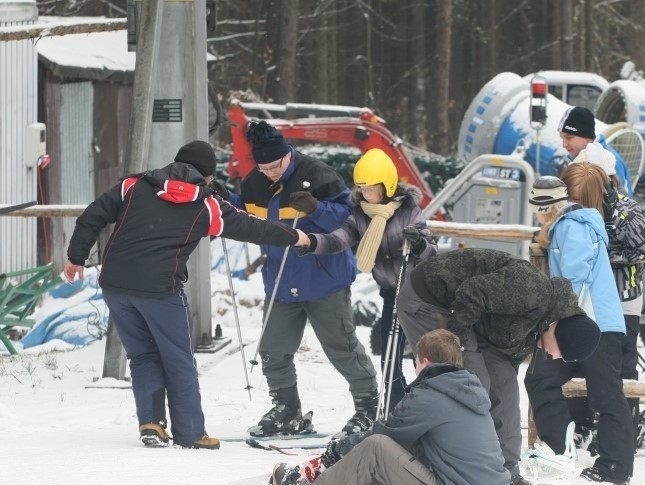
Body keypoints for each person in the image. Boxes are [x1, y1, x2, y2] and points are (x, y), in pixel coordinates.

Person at [63, 140, 309, 450]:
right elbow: (253, 228)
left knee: (142, 355)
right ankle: (191, 433)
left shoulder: (134, 185)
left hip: (116, 285)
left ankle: (151, 423)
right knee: (178, 358)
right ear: (208, 176)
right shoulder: (206, 205)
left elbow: (93, 215)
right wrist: (295, 236)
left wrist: (76, 256)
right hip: (160, 290)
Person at [394, 248, 601, 485]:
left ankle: (506, 470)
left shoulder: (538, 326)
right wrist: (455, 346)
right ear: (558, 332)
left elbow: (504, 366)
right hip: (430, 297)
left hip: (470, 317)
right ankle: (440, 461)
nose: (556, 358)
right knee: (469, 382)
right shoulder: (532, 292)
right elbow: (472, 292)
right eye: (561, 353)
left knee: (504, 385)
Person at [271, 329, 510, 485]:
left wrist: (340, 449)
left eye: (415, 361)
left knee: (376, 446)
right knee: (409, 439)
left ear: (424, 362)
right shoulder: (465, 391)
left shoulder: (431, 396)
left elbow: (384, 434)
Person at [231, 121, 379, 437]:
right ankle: (287, 410)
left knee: (343, 348)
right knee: (272, 350)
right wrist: (224, 201)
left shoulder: (320, 175)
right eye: (264, 166)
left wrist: (316, 207)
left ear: (288, 155)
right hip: (281, 281)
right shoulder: (254, 183)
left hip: (324, 278)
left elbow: (349, 219)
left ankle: (368, 411)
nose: (270, 171)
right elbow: (244, 218)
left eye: (276, 165)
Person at [294, 148, 437, 414]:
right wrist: (311, 242)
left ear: (388, 186)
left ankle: (431, 408)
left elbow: (432, 250)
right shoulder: (361, 214)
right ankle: (398, 411)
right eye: (362, 189)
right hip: (390, 296)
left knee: (427, 358)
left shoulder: (408, 211)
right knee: (389, 358)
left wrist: (418, 244)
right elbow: (339, 238)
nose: (366, 195)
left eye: (372, 189)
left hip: (418, 297)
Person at [526, 166, 634, 485]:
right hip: (580, 324)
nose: (536, 217)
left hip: (594, 324)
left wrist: (553, 320)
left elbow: (575, 276)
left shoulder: (571, 227)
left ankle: (616, 465)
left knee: (604, 393)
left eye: (538, 210)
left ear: (549, 208)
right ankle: (559, 454)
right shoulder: (568, 225)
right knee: (540, 378)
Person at [564, 151, 645, 447]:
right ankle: (580, 424)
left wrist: (608, 255)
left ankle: (624, 431)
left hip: (622, 299)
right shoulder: (573, 203)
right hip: (587, 299)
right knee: (579, 363)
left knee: (622, 367)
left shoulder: (624, 207)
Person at [557, 106, 632, 196]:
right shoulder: (578, 157)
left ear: (586, 136)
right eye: (562, 138)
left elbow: (620, 205)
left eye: (569, 137)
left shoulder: (608, 162)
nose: (564, 144)